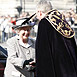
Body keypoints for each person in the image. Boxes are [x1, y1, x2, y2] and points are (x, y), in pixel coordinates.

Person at [35, 0, 77, 77]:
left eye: (36, 14)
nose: (37, 17)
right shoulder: (63, 21)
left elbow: (43, 53)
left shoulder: (44, 23)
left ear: (39, 12)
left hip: (57, 70)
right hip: (70, 69)